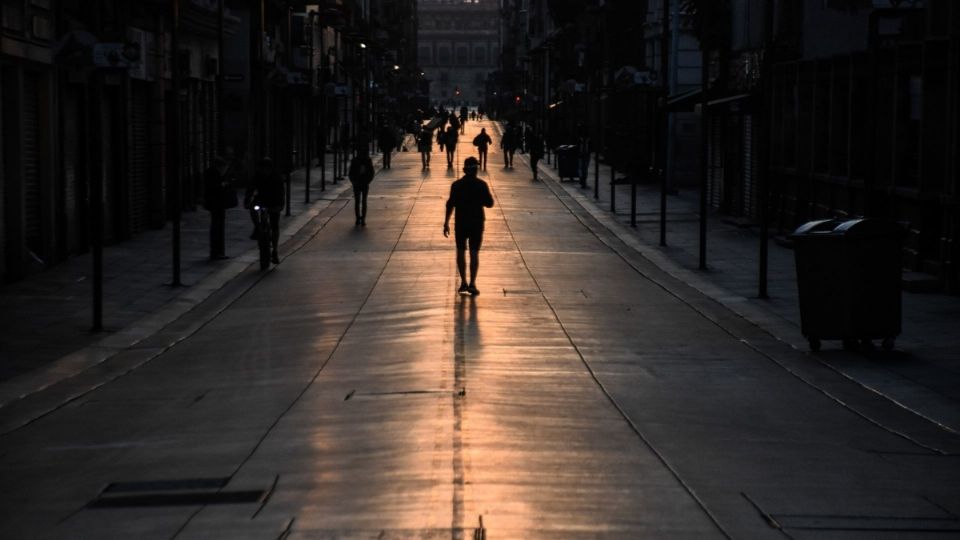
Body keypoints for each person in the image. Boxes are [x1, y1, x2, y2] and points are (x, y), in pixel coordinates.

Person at [443, 157, 494, 296]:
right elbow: (490, 203)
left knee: (460, 251)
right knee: (474, 252)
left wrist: (446, 223)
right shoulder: (481, 185)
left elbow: (450, 204)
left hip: (461, 222)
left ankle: (463, 282)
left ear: (465, 170)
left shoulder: (456, 185)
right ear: (476, 169)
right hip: (477, 222)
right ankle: (472, 283)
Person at [245, 157, 285, 264]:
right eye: (262, 169)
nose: (264, 171)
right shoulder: (257, 176)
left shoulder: (276, 177)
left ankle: (275, 250)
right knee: (253, 208)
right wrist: (247, 201)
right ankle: (257, 227)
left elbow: (281, 192)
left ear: (270, 168)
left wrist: (280, 205)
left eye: (265, 168)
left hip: (274, 201)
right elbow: (250, 188)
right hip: (261, 200)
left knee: (274, 225)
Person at [203, 156, 236, 260]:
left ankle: (217, 251)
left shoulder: (211, 173)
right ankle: (217, 252)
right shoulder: (215, 174)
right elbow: (215, 188)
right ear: (221, 166)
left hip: (215, 204)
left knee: (217, 226)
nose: (225, 170)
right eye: (225, 167)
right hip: (216, 204)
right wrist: (224, 185)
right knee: (217, 227)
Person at [348, 145, 375, 226]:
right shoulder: (363, 160)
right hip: (360, 183)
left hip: (362, 183)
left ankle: (361, 218)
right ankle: (360, 218)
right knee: (361, 201)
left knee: (360, 201)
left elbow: (371, 173)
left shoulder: (361, 160)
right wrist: (354, 181)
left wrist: (367, 181)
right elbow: (351, 173)